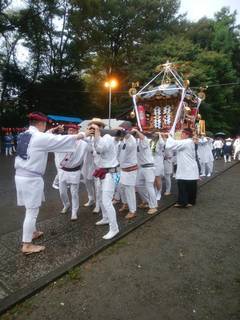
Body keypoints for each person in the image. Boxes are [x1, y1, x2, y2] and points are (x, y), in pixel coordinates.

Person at [15, 112, 85, 255]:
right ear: (41, 124)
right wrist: (81, 135)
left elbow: (42, 138)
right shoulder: (40, 137)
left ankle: (32, 232)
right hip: (31, 179)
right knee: (32, 210)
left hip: (21, 176)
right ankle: (27, 244)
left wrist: (51, 131)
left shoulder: (24, 134)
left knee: (29, 207)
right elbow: (59, 141)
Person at [89, 124, 120, 240]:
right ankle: (106, 218)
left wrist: (96, 135)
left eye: (95, 128)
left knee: (107, 201)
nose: (92, 130)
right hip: (105, 173)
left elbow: (99, 149)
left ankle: (114, 228)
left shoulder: (107, 137)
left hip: (112, 173)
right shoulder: (100, 138)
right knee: (102, 198)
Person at [57, 124, 88, 220]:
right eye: (69, 130)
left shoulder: (84, 144)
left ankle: (74, 211)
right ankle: (66, 204)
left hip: (75, 171)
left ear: (77, 132)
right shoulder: (63, 141)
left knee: (74, 193)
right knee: (62, 192)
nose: (70, 132)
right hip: (63, 170)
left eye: (73, 131)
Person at [165, 128, 199, 208]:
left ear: (187, 135)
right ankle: (190, 201)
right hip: (187, 167)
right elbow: (174, 145)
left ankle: (183, 202)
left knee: (184, 185)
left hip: (187, 167)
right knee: (189, 185)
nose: (181, 135)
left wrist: (169, 136)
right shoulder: (187, 142)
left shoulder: (187, 142)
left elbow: (173, 144)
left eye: (182, 134)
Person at [134, 129, 158, 215]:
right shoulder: (136, 141)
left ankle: (154, 206)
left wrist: (136, 131)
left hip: (149, 167)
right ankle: (147, 201)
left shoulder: (146, 140)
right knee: (138, 185)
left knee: (149, 187)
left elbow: (143, 137)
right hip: (141, 168)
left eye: (136, 134)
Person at [118, 130, 138, 219]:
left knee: (129, 191)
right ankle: (125, 204)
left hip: (130, 170)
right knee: (121, 188)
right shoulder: (124, 141)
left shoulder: (132, 141)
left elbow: (128, 135)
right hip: (122, 170)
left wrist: (122, 131)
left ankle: (132, 211)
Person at [150, 133, 164, 200]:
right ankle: (155, 191)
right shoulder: (150, 142)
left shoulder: (160, 143)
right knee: (152, 179)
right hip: (151, 162)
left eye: (155, 135)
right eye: (153, 135)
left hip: (158, 162)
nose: (153, 136)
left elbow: (162, 143)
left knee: (157, 177)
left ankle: (159, 192)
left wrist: (160, 134)